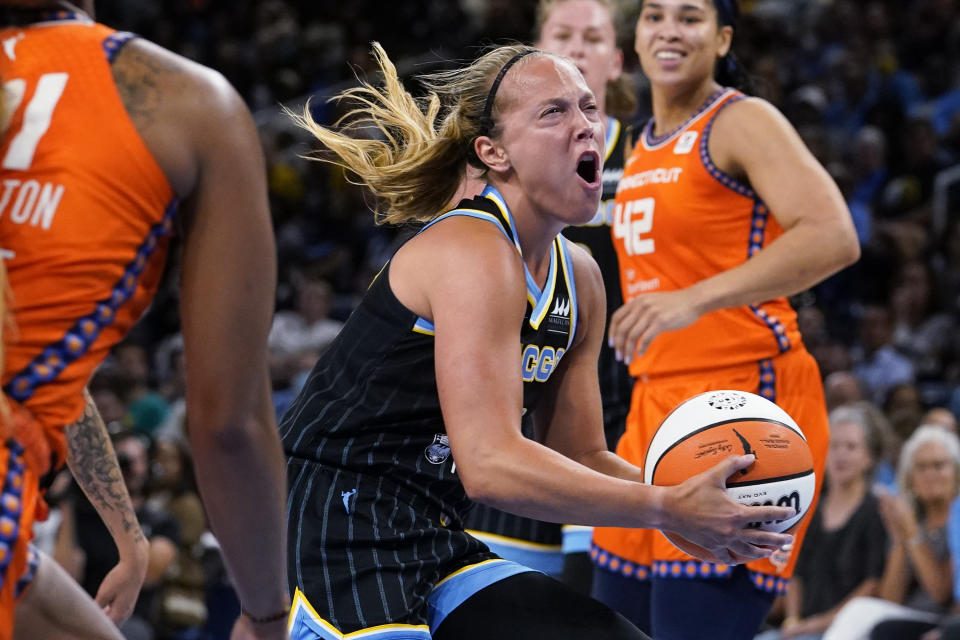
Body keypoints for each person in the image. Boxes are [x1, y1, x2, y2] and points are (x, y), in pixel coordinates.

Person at [281, 41, 796, 640]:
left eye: (587, 108)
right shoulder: (471, 250)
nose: (585, 126)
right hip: (330, 519)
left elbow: (580, 455)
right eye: (553, 113)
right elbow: (491, 467)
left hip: (428, 526)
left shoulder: (581, 277)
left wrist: (684, 502)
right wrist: (666, 507)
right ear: (492, 152)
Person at [0, 3, 289, 639]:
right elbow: (229, 427)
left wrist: (128, 538)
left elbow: (41, 381)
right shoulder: (184, 103)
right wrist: (269, 613)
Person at [590, 0, 861, 638]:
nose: (670, 31)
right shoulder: (638, 143)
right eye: (655, 16)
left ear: (722, 38)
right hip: (654, 405)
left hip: (745, 398)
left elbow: (833, 236)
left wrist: (694, 299)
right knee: (609, 624)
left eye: (691, 17)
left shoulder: (740, 120)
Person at [462, 0, 636, 589]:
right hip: (513, 416)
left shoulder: (653, 164)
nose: (575, 48)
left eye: (591, 38)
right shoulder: (484, 185)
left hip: (620, 412)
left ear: (614, 62)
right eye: (561, 35)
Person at [756, 404, 888, 640]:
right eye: (834, 446)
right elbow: (795, 571)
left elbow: (872, 584)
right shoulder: (810, 507)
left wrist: (817, 624)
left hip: (846, 629)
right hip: (801, 626)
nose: (841, 455)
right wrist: (793, 619)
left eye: (851, 447)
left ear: (868, 457)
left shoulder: (876, 510)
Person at [822, 426, 960, 640]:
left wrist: (912, 534)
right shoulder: (912, 519)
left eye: (938, 466)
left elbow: (941, 593)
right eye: (921, 468)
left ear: (956, 471)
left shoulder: (955, 520)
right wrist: (899, 539)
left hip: (945, 619)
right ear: (910, 478)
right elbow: (891, 598)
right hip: (909, 614)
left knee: (867, 617)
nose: (930, 474)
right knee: (864, 613)